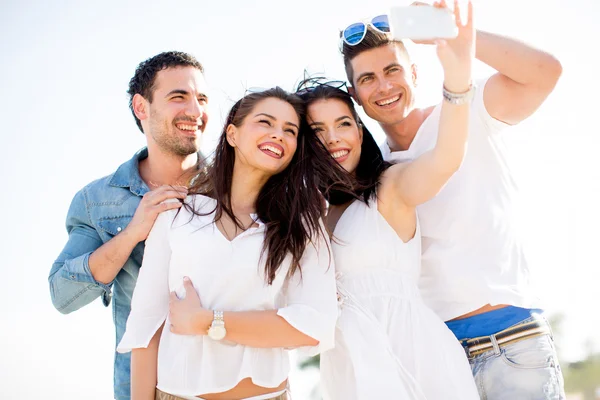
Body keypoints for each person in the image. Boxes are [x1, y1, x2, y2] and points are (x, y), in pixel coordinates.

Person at [339, 1, 565, 398]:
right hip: (437, 361)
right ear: (356, 96)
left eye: (392, 70)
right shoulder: (373, 177)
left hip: (511, 344)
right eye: (368, 78)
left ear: (413, 72)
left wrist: (458, 37)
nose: (384, 86)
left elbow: (545, 72)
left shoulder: (466, 110)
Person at [117, 87, 350, 400]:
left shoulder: (302, 225)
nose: (278, 134)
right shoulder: (177, 213)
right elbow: (147, 323)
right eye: (265, 122)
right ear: (232, 134)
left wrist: (209, 322)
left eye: (289, 130)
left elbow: (316, 326)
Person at [297, 2, 478, 398]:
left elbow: (446, 159)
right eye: (317, 130)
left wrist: (458, 75)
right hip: (348, 372)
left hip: (416, 362)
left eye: (344, 124)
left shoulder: (389, 188)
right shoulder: (308, 217)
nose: (334, 138)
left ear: (361, 132)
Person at [49, 51, 209, 400]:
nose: (195, 112)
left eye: (201, 99)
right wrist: (134, 233)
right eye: (178, 97)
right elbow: (62, 295)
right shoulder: (97, 200)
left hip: (236, 384)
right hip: (143, 389)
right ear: (142, 107)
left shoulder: (237, 185)